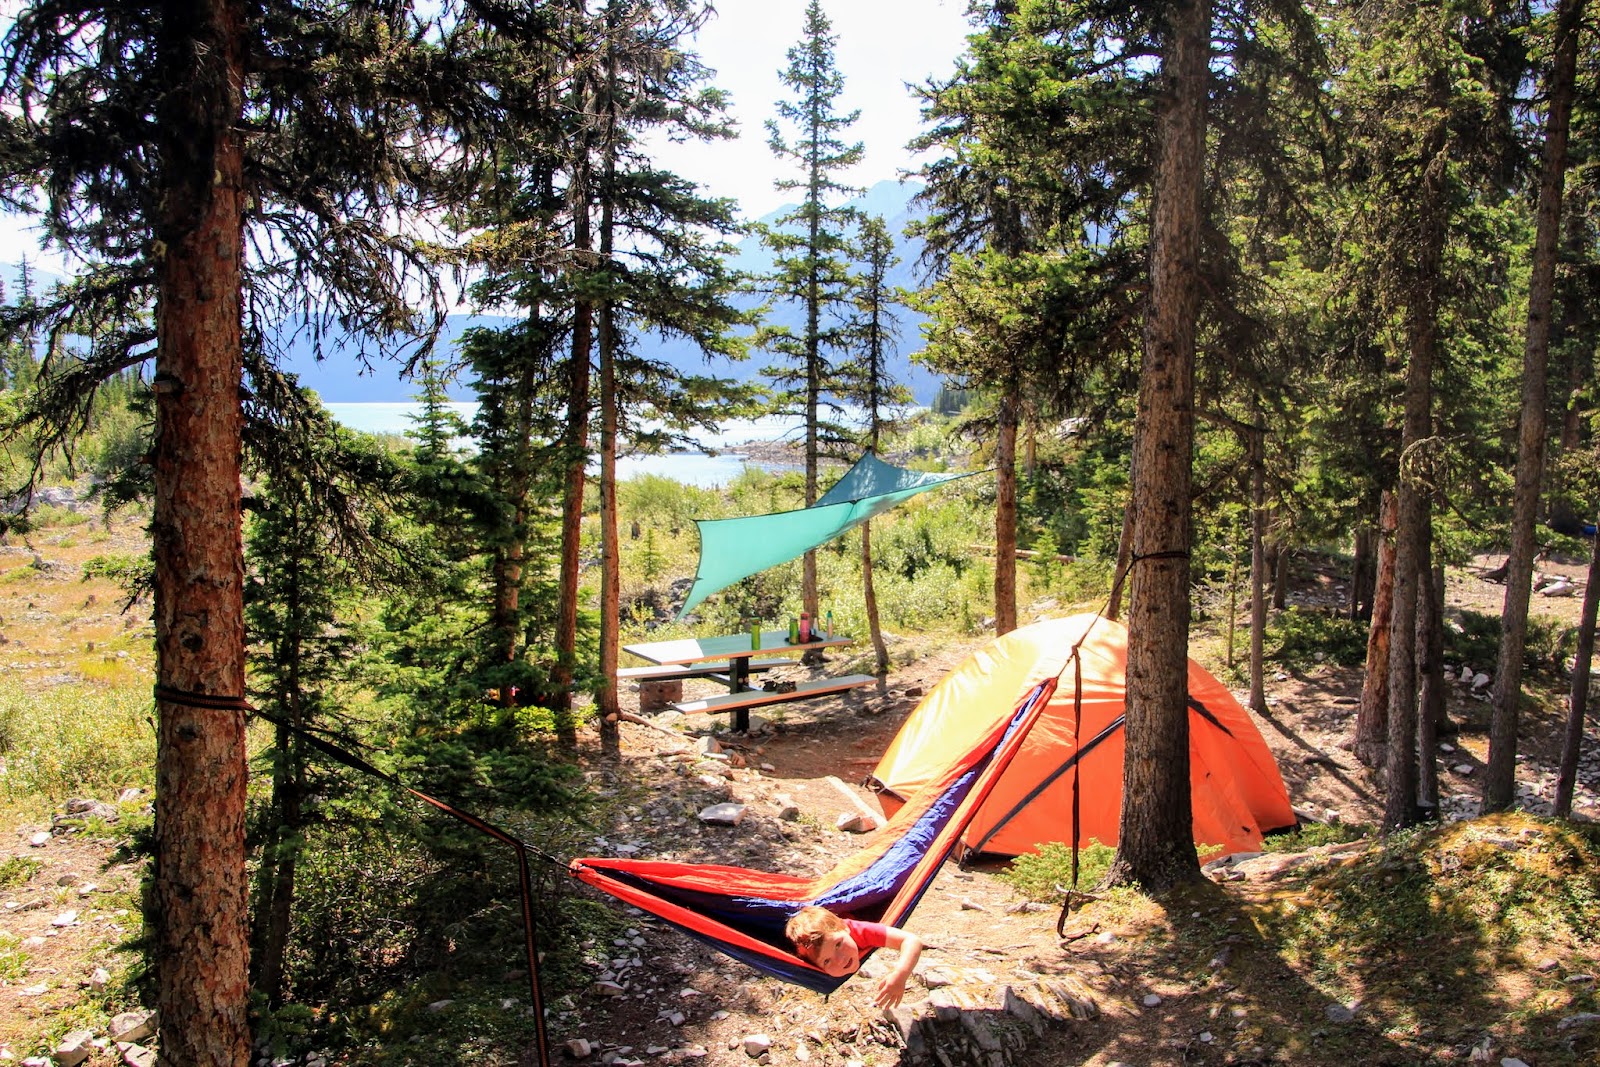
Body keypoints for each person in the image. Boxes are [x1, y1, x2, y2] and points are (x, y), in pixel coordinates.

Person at [784, 905, 923, 1008]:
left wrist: (900, 975)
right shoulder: (807, 962)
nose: (840, 959)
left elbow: (912, 940)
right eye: (826, 961)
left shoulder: (857, 930)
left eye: (838, 944)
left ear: (845, 929)